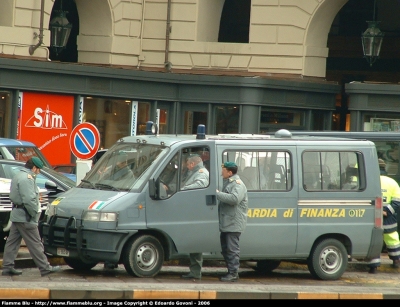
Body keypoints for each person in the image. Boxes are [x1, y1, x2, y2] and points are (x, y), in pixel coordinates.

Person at [2, 157, 61, 277]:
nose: (38, 172)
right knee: (36, 243)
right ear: (34, 168)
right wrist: (34, 214)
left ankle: (7, 267)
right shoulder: (27, 179)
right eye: (38, 169)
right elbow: (29, 199)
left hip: (17, 214)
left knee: (12, 243)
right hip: (26, 216)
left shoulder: (18, 175)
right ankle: (45, 267)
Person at [216, 161, 248, 282]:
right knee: (226, 248)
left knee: (232, 249)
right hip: (228, 222)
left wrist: (218, 194)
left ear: (229, 172)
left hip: (233, 223)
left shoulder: (237, 184)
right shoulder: (229, 182)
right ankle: (231, 271)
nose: (221, 173)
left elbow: (235, 199)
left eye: (223, 171)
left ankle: (233, 273)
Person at [368, 160, 400, 274]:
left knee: (375, 239)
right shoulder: (392, 182)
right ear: (385, 168)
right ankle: (396, 261)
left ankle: (373, 266)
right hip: (389, 219)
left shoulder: (370, 181)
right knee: (392, 239)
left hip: (372, 216)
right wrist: (386, 212)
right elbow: (397, 202)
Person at [180, 154, 209, 280]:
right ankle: (194, 271)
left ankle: (196, 273)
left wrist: (183, 189)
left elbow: (200, 185)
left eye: (187, 164)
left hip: (198, 213)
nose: (186, 166)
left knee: (196, 244)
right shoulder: (194, 172)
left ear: (192, 164)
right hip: (194, 211)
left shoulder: (201, 173)